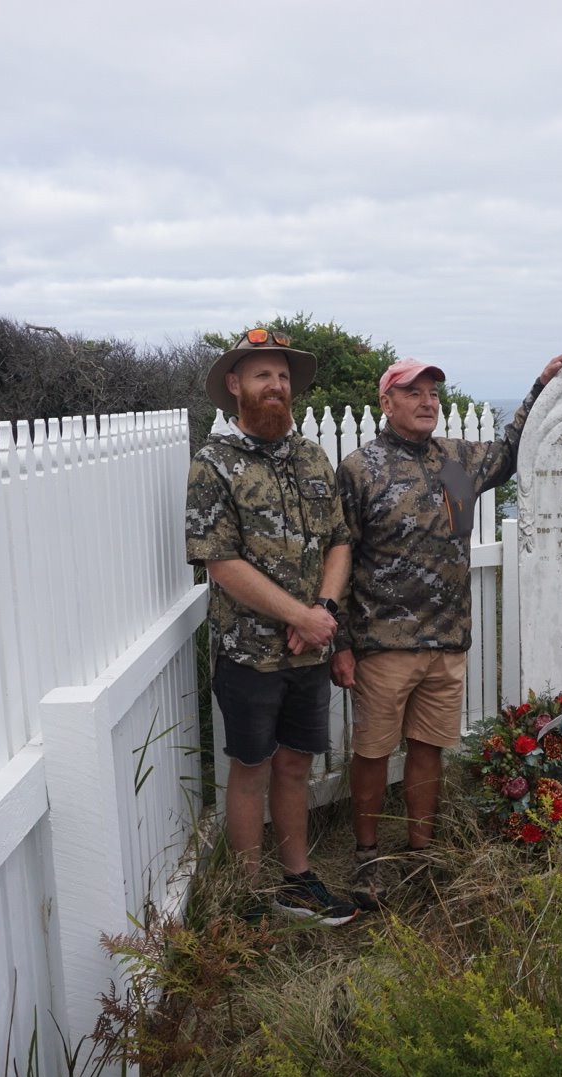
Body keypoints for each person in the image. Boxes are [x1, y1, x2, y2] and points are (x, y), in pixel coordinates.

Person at [334, 345, 562, 908]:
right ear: (387, 400)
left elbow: (514, 451)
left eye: (433, 393)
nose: (427, 403)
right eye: (413, 392)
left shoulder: (454, 460)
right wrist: (342, 643)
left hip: (447, 640)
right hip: (383, 643)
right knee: (373, 752)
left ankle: (421, 855)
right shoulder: (360, 468)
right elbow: (339, 556)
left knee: (429, 750)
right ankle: (368, 858)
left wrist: (542, 383)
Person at [185, 328, 357, 925]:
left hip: (309, 650)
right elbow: (220, 561)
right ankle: (249, 897)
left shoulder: (312, 457)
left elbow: (338, 540)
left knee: (295, 765)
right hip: (250, 653)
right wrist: (300, 617)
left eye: (283, 376)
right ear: (234, 386)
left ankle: (297, 881)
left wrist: (326, 615)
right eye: (262, 375)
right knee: (250, 770)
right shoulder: (213, 465)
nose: (276, 385)